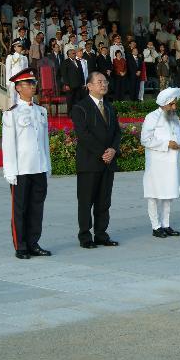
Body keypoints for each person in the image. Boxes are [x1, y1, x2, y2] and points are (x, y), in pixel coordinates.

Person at [1, 68, 51, 259]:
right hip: (21, 169)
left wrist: (48, 165)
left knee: (37, 207)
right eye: (28, 84)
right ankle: (20, 246)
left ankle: (33, 242)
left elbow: (44, 141)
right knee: (20, 209)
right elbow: (9, 144)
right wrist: (10, 171)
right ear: (18, 88)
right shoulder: (11, 114)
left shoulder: (41, 111)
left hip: (39, 166)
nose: (32, 86)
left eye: (33, 83)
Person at [71, 71, 121, 248]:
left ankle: (101, 234)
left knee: (104, 201)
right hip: (89, 162)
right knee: (86, 202)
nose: (104, 85)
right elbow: (83, 135)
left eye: (105, 82)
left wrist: (113, 150)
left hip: (108, 163)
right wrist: (103, 152)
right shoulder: (80, 108)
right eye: (99, 82)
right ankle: (85, 236)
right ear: (89, 86)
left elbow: (117, 132)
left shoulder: (109, 107)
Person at [140, 87, 180, 238]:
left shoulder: (174, 118)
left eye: (175, 104)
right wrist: (167, 144)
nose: (174, 107)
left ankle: (166, 224)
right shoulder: (152, 117)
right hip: (157, 164)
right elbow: (145, 140)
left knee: (168, 194)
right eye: (171, 104)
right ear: (164, 104)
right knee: (154, 195)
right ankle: (156, 226)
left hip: (172, 164)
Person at [60, 47, 86, 114]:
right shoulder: (65, 62)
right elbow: (64, 74)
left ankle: (76, 113)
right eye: (73, 53)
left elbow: (81, 73)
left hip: (78, 85)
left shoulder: (78, 61)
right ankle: (70, 114)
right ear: (69, 55)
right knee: (70, 100)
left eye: (75, 53)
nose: (75, 54)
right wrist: (66, 84)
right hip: (70, 85)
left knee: (77, 100)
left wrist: (83, 83)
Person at [5, 41, 29, 105]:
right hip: (13, 81)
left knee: (22, 101)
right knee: (12, 101)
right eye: (18, 46)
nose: (20, 47)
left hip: (22, 81)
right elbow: (8, 71)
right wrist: (8, 84)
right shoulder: (10, 57)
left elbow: (26, 71)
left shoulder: (24, 58)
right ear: (14, 48)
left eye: (21, 46)